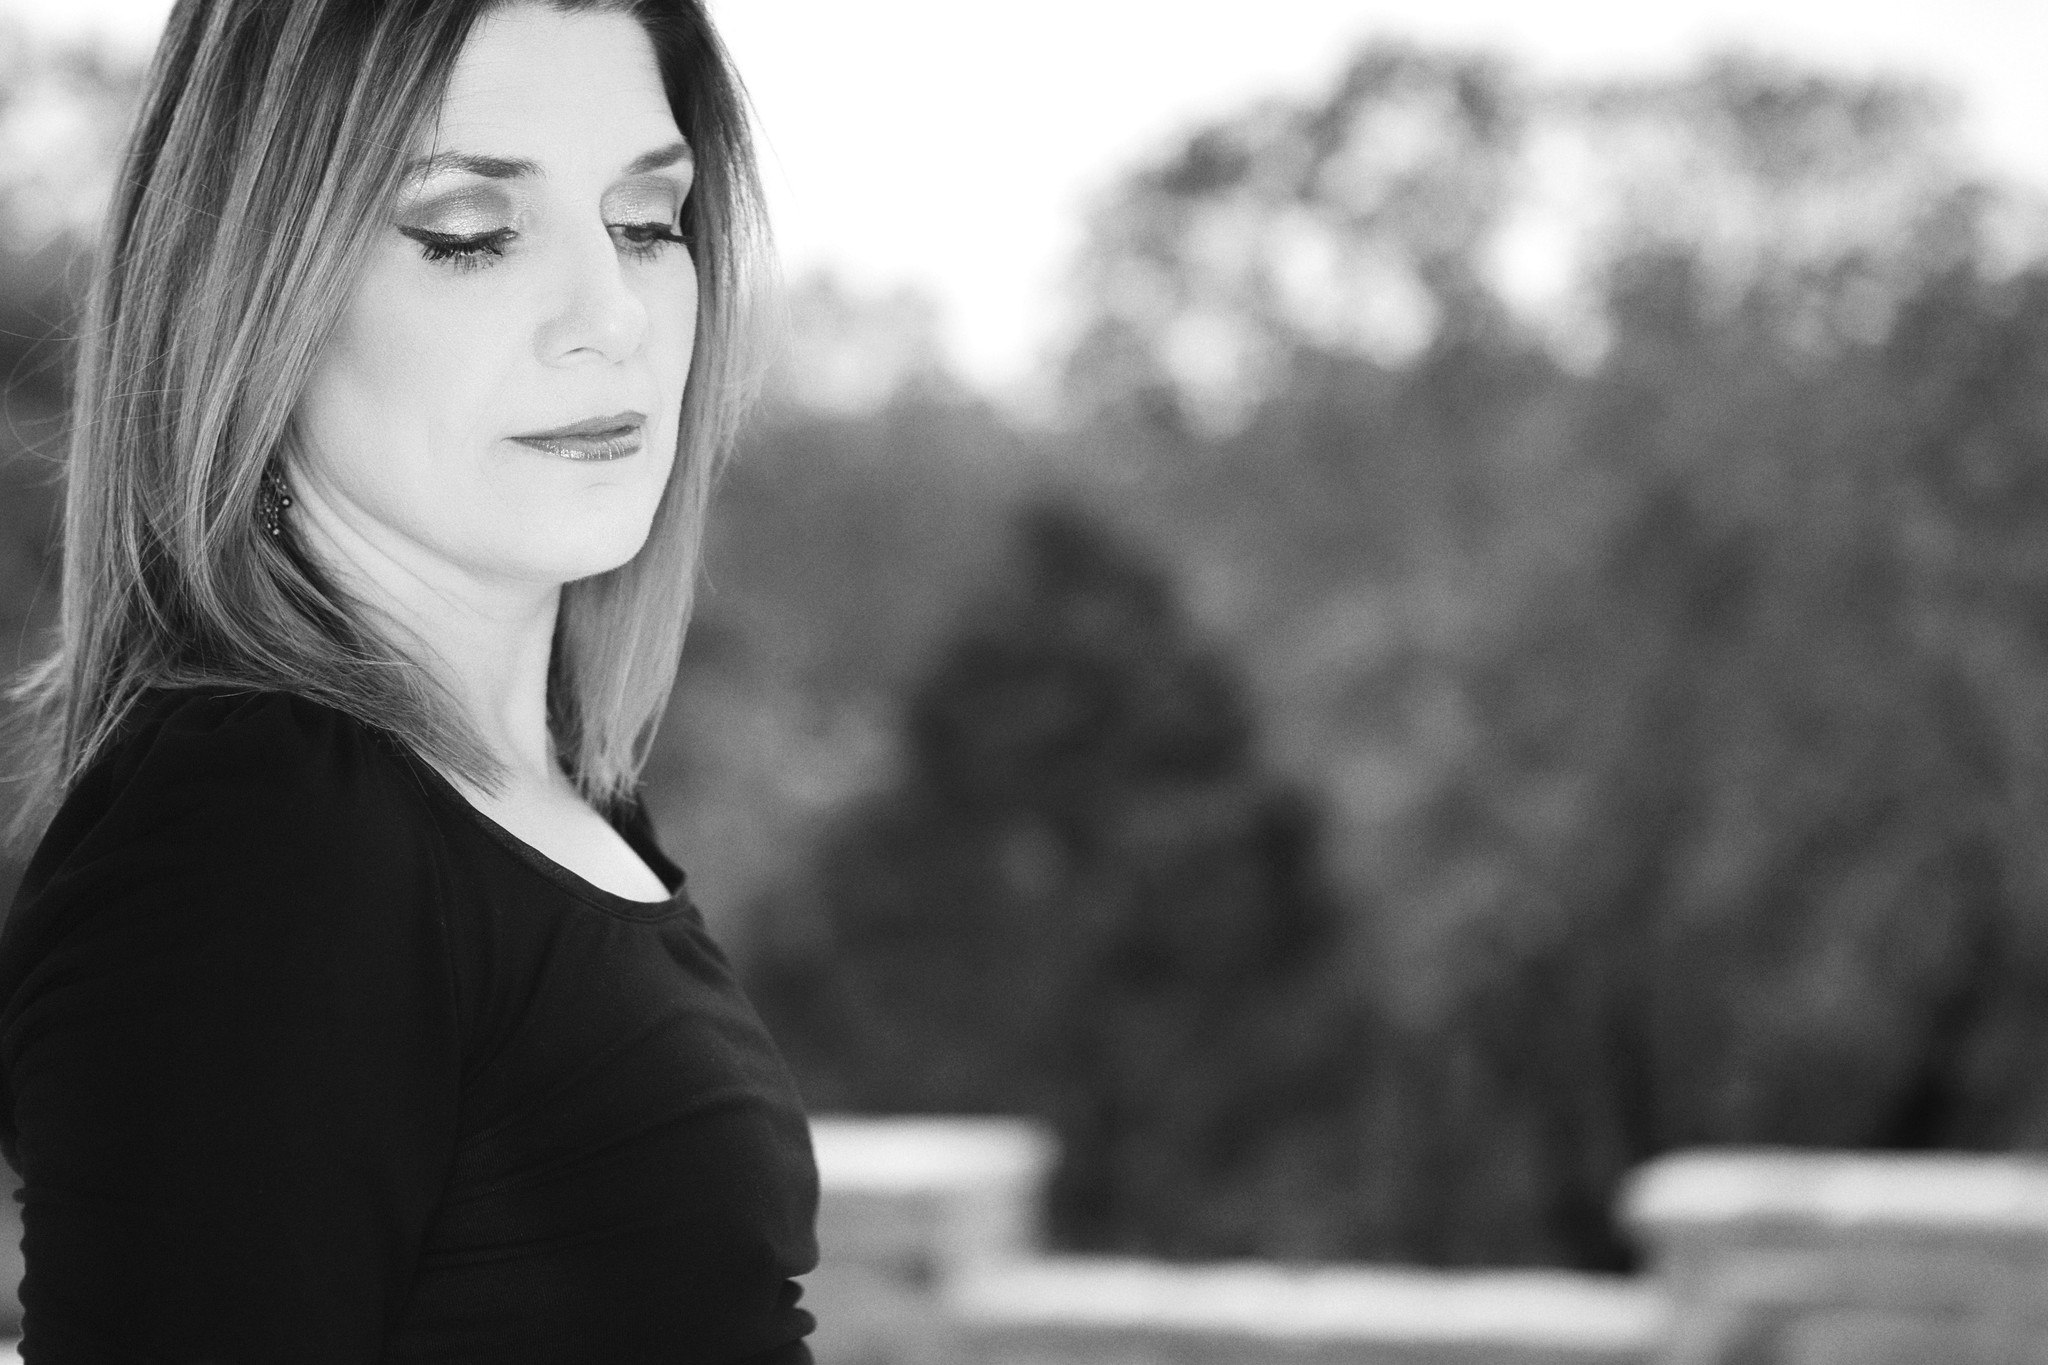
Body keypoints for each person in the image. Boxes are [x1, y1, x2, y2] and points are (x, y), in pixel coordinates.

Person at [0, 1, 818, 1360]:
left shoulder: (550, 784)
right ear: (246, 291)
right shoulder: (259, 844)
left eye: (645, 222)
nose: (609, 318)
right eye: (469, 235)